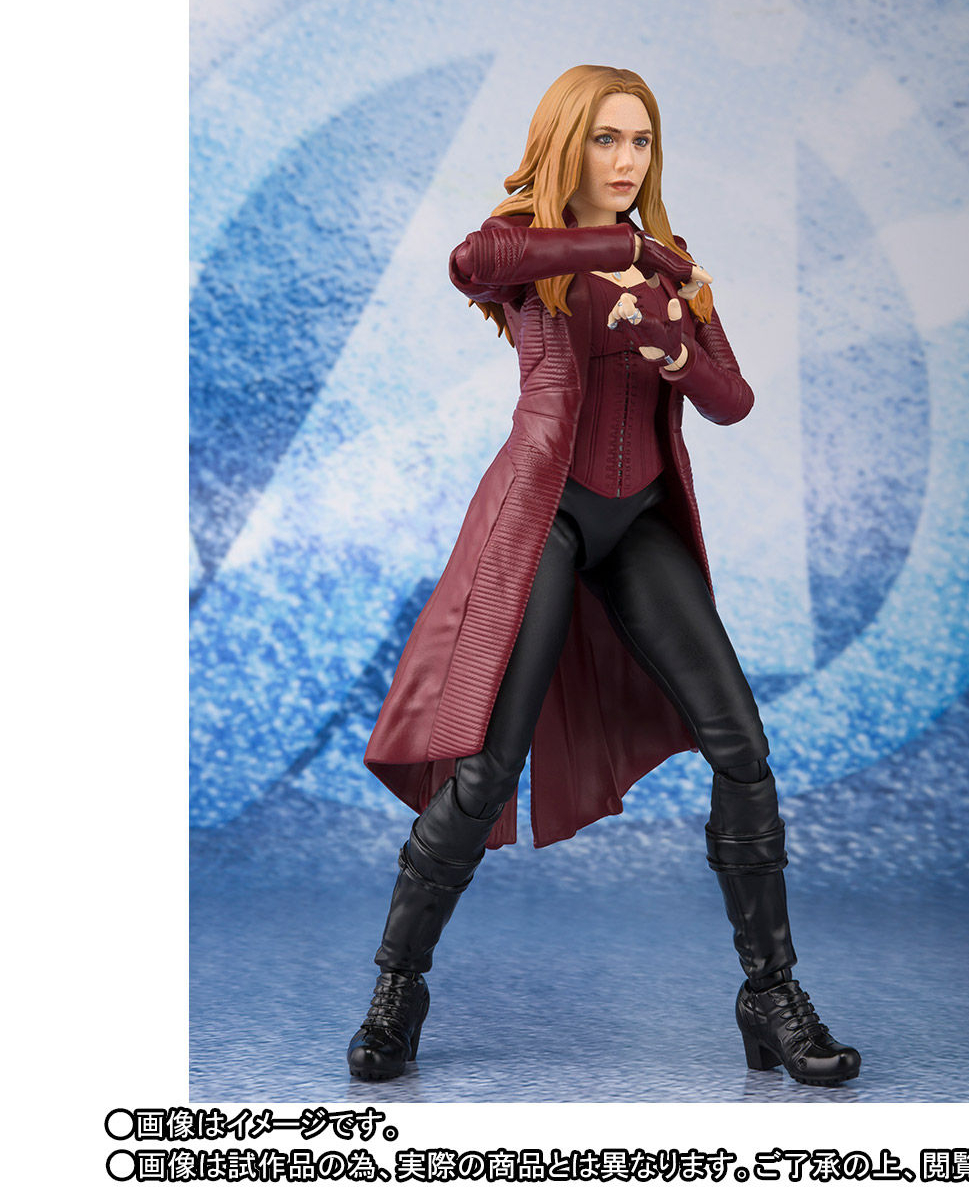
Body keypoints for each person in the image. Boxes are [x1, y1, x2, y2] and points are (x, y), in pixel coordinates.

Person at [348, 65, 860, 1088]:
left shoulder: (675, 267)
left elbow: (732, 399)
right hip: (544, 515)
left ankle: (770, 994)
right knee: (486, 769)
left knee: (743, 748)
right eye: (606, 139)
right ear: (565, 143)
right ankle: (397, 988)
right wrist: (627, 249)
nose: (627, 160)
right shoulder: (528, 249)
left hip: (639, 522)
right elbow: (468, 261)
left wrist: (676, 347)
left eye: (641, 141)